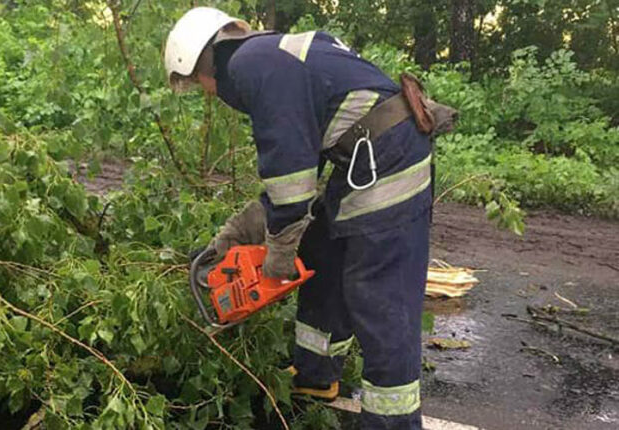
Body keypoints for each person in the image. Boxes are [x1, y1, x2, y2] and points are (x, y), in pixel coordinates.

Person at [165, 7, 456, 430]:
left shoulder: (250, 68)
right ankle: (316, 375)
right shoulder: (271, 55)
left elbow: (289, 179)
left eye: (198, 84)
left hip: (388, 159)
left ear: (202, 62)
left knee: (380, 297)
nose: (207, 93)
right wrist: (238, 233)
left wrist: (278, 254)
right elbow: (299, 164)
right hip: (363, 156)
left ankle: (392, 421)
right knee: (322, 252)